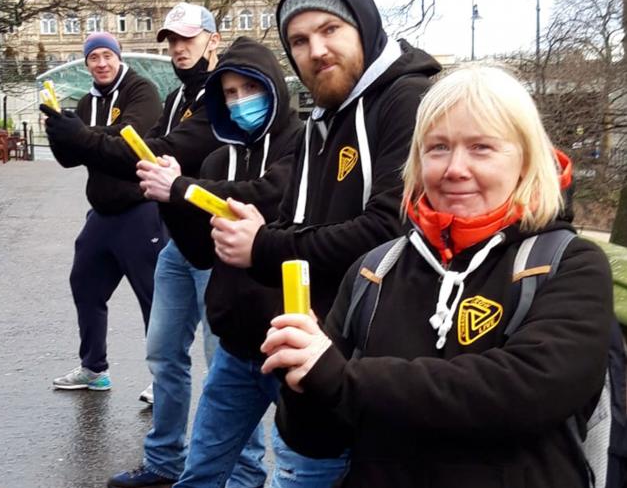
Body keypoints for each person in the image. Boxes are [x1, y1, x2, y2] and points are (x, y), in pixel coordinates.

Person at [261, 65, 614, 488]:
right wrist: (301, 378)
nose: (455, 168)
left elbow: (528, 390)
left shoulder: (570, 264)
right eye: (438, 148)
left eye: (481, 148)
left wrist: (339, 378)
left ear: (525, 159)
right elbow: (317, 441)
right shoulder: (374, 271)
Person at [209, 0, 441, 479]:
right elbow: (304, 220)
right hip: (315, 348)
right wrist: (261, 231)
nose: (316, 50)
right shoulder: (325, 117)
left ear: (363, 25)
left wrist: (263, 247)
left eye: (330, 30)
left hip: (363, 359)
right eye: (299, 39)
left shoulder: (406, 100)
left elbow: (391, 231)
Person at [43, 5, 263, 488]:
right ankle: (165, 460)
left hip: (217, 250)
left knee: (229, 367)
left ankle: (245, 474)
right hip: (177, 247)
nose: (178, 48)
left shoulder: (220, 99)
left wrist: (81, 137)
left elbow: (162, 152)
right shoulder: (177, 93)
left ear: (213, 38)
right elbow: (144, 153)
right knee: (164, 355)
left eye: (188, 38)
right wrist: (73, 138)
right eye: (171, 40)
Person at [136, 36, 304, 488]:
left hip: (290, 342)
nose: (240, 102)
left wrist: (184, 190)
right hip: (235, 343)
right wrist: (168, 197)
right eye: (229, 94)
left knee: (297, 472)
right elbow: (198, 248)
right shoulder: (216, 157)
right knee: (202, 472)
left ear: (274, 87)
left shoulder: (304, 143)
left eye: (250, 89)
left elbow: (270, 195)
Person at [46, 31, 165, 392]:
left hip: (141, 208)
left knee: (153, 297)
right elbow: (70, 158)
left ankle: (163, 379)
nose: (101, 63)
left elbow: (129, 139)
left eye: (106, 56)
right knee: (84, 284)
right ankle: (93, 368)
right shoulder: (86, 102)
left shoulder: (141, 90)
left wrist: (78, 132)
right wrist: (56, 130)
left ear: (118, 57)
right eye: (93, 58)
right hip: (101, 213)